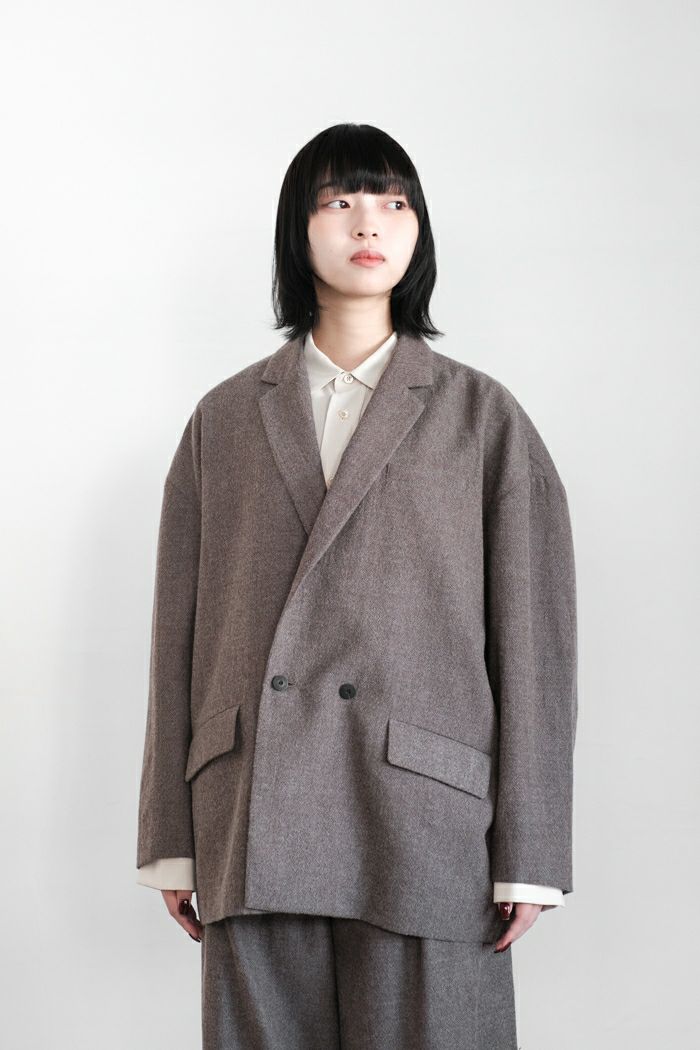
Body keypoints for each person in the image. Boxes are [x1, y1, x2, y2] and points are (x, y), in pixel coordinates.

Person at [136, 122, 578, 1049]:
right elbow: (178, 637)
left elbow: (535, 647)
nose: (368, 223)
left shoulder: (482, 417)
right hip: (256, 806)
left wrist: (530, 853)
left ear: (419, 230)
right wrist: (170, 835)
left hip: (424, 817)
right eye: (338, 201)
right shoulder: (224, 419)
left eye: (393, 201)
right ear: (297, 231)